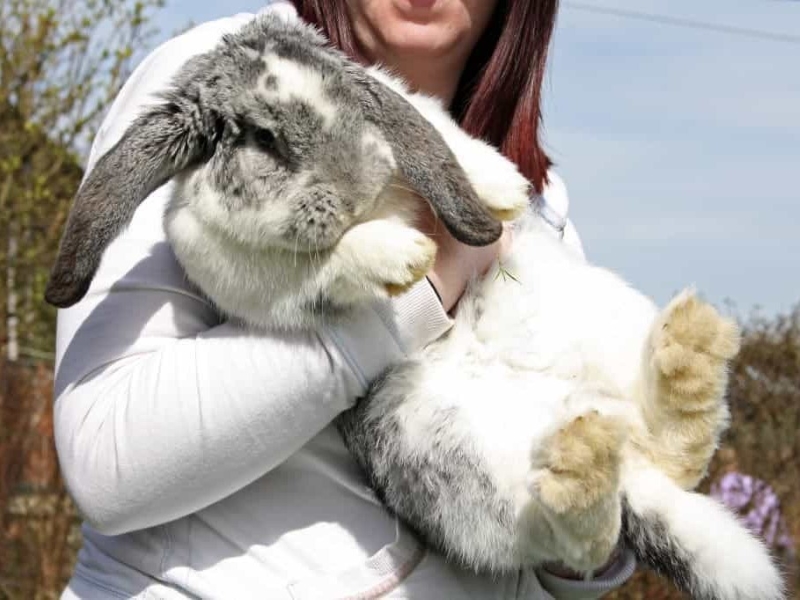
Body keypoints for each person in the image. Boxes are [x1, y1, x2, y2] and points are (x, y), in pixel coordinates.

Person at [54, 1, 637, 598]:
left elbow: (544, 569)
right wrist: (422, 288)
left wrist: (585, 538)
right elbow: (106, 460)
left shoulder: (535, 196)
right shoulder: (233, 77)